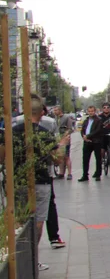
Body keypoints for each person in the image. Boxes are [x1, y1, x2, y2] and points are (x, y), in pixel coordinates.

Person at [10, 95, 63, 261]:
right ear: (41, 113)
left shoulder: (13, 132)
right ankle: (32, 259)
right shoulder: (44, 133)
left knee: (20, 220)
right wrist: (61, 145)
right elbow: (57, 159)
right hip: (41, 180)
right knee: (39, 220)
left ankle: (20, 258)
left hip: (19, 180)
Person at [78, 105, 104, 181]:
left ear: (95, 111)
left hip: (96, 141)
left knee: (98, 158)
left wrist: (88, 136)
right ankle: (85, 175)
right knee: (85, 159)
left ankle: (98, 174)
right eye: (89, 111)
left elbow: (98, 130)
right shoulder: (86, 120)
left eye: (92, 111)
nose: (91, 113)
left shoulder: (99, 120)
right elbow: (82, 130)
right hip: (87, 142)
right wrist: (83, 137)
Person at [53, 106, 75, 180]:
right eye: (54, 110)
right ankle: (61, 173)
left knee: (66, 156)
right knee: (60, 156)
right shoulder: (55, 118)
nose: (54, 112)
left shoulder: (67, 117)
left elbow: (70, 129)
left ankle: (69, 173)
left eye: (56, 110)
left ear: (60, 110)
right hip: (58, 139)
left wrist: (65, 135)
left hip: (65, 139)